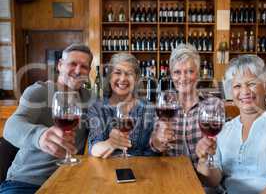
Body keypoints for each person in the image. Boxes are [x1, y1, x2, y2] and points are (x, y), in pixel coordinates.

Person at [196, 55, 266, 194]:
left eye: (251, 84)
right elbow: (213, 180)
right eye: (237, 86)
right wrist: (203, 159)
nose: (244, 91)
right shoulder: (225, 129)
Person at [0, 43, 94, 194]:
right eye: (73, 64)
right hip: (26, 181)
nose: (78, 70)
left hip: (70, 180)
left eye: (84, 66)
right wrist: (40, 136)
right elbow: (11, 127)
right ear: (60, 65)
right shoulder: (39, 91)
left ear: (88, 71)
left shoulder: (90, 98)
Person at [88, 52, 157, 158]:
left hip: (141, 170)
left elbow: (153, 152)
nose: (123, 78)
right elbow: (94, 148)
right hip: (106, 172)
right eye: (118, 72)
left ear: (136, 78)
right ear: (110, 76)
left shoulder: (149, 108)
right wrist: (110, 143)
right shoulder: (97, 108)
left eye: (129, 73)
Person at [150, 44, 203, 169]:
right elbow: (154, 144)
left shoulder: (212, 104)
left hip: (204, 179)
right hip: (173, 177)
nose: (183, 78)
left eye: (190, 71)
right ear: (171, 75)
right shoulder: (164, 104)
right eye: (177, 72)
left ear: (198, 73)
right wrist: (159, 139)